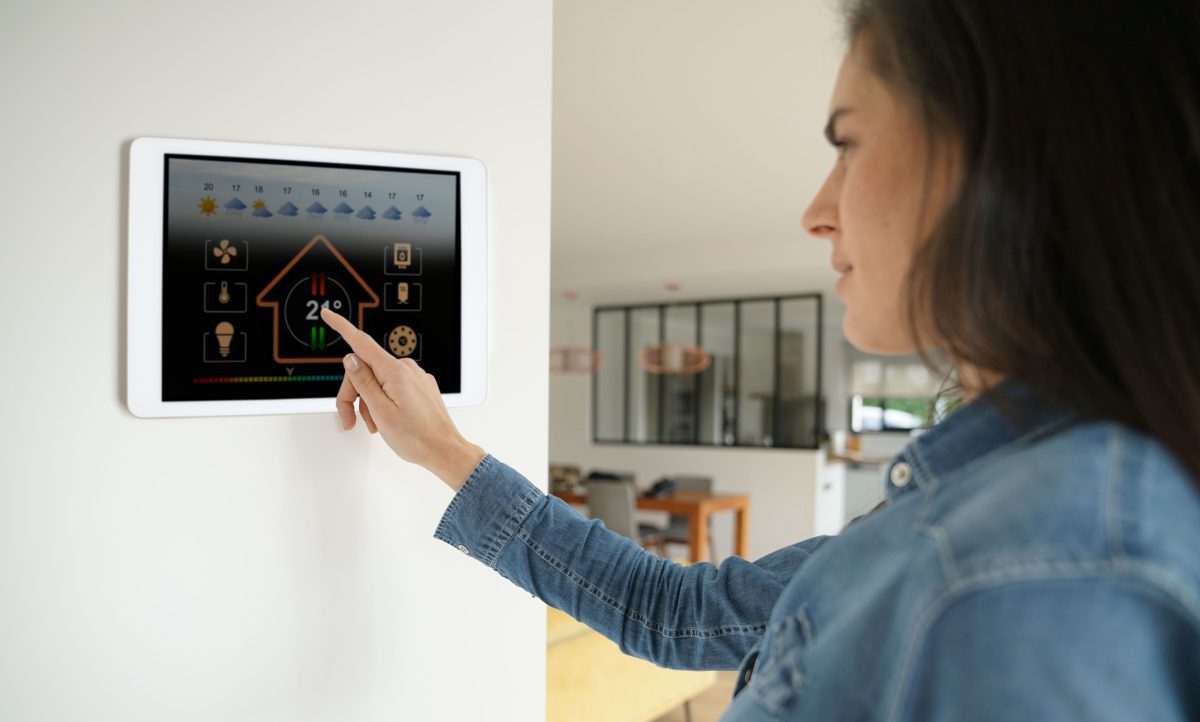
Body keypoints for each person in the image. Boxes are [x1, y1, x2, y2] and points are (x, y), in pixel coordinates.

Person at [322, 0, 1200, 718]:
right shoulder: (976, 506)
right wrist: (442, 447)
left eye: (847, 143)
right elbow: (673, 611)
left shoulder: (1039, 580)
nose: (817, 211)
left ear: (997, 155)